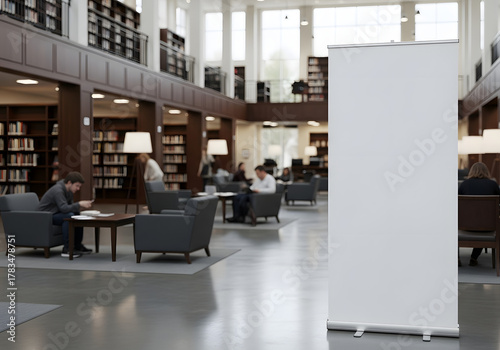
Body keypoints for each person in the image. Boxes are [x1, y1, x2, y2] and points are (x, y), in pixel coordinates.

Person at [38, 172, 93, 258]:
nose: (78, 189)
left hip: (55, 213)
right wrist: (79, 204)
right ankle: (67, 249)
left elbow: (70, 207)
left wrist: (78, 208)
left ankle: (77, 246)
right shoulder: (58, 190)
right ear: (69, 183)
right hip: (45, 216)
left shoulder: (69, 190)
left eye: (79, 186)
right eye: (77, 186)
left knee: (76, 215)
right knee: (69, 216)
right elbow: (64, 208)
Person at [458, 162, 500, 266]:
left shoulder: (464, 184)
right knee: (483, 223)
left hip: (465, 226)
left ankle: (457, 258)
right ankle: (474, 257)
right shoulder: (493, 185)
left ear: (471, 171)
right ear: (486, 171)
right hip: (488, 227)